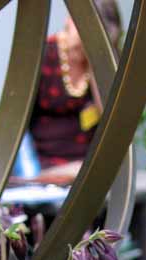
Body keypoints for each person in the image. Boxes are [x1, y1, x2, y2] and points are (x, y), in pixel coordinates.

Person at [27, 1, 123, 181]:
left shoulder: (99, 64)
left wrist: (97, 62)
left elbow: (112, 125)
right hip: (46, 169)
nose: (80, 53)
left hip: (91, 167)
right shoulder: (42, 56)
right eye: (80, 45)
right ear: (71, 21)